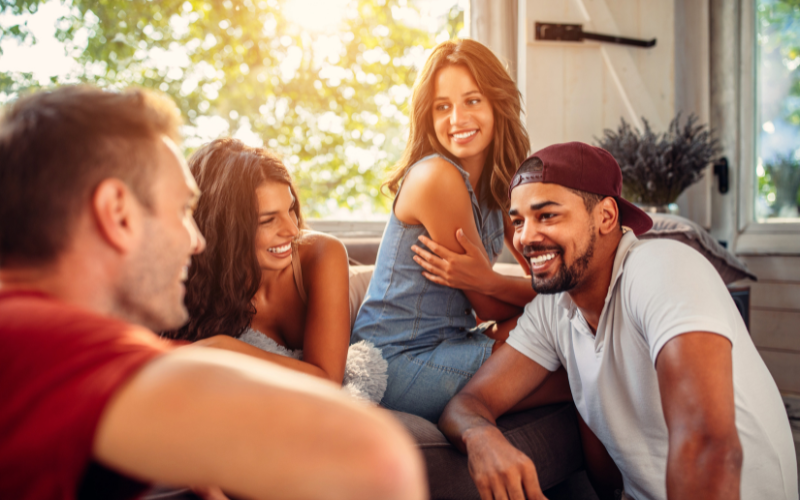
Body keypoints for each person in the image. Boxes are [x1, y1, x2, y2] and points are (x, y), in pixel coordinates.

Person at [0, 85, 426, 500]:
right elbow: (377, 461)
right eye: (183, 209)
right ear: (118, 214)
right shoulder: (48, 345)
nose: (197, 240)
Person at [439, 141, 798, 500]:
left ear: (607, 217)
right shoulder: (554, 309)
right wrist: (482, 438)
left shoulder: (662, 269)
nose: (524, 238)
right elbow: (468, 403)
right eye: (518, 221)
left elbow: (707, 444)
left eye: (546, 215)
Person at [351, 38, 570, 423]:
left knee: (571, 325)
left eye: (472, 100)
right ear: (428, 116)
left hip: (449, 342)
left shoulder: (500, 182)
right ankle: (613, 484)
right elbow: (489, 305)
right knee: (575, 360)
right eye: (442, 107)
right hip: (397, 364)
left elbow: (544, 278)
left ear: (495, 103)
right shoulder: (438, 177)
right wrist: (493, 286)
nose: (457, 119)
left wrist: (489, 280)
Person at [163, 138, 351, 385]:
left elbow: (328, 380)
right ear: (223, 229)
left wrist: (223, 347)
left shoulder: (322, 254)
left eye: (291, 209)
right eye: (267, 220)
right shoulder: (186, 274)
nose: (292, 230)